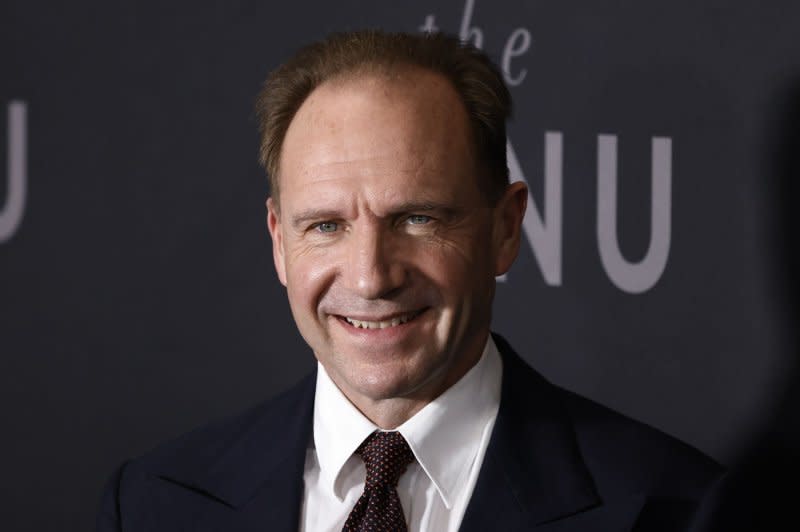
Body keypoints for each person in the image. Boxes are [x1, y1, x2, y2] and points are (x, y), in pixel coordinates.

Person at [97, 30, 722, 531]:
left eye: (417, 218)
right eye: (325, 226)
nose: (371, 277)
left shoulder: (674, 509)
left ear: (505, 229)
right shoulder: (155, 502)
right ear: (279, 241)